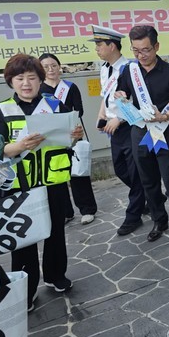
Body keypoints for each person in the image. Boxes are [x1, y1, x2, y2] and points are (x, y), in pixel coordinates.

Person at [0, 54, 83, 311]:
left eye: (32, 78)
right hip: (19, 186)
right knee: (24, 241)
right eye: (20, 78)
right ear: (11, 81)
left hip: (53, 182)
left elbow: (66, 141)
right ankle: (26, 291)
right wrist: (18, 146)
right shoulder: (2, 110)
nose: (26, 83)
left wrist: (74, 136)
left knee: (55, 234)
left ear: (41, 80)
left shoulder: (55, 105)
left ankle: (55, 275)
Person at [115, 25, 169, 243]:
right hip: (139, 132)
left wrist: (164, 117)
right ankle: (159, 220)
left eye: (146, 50)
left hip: (164, 132)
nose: (141, 55)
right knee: (148, 181)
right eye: (136, 50)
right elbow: (123, 92)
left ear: (156, 46)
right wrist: (120, 94)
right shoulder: (129, 71)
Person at [89, 25, 147, 236]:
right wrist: (101, 115)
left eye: (99, 44)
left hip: (130, 125)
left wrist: (120, 119)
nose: (96, 48)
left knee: (134, 171)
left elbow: (138, 100)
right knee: (121, 169)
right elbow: (106, 95)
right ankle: (148, 196)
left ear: (112, 46)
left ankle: (134, 215)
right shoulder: (105, 68)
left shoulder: (131, 68)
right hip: (113, 127)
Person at [39, 53, 98, 225]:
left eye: (54, 65)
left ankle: (87, 209)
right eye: (45, 66)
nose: (51, 69)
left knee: (78, 173)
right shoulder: (38, 90)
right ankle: (65, 212)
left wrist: (57, 106)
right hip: (50, 140)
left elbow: (79, 111)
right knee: (57, 176)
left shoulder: (70, 87)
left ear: (59, 67)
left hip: (72, 136)